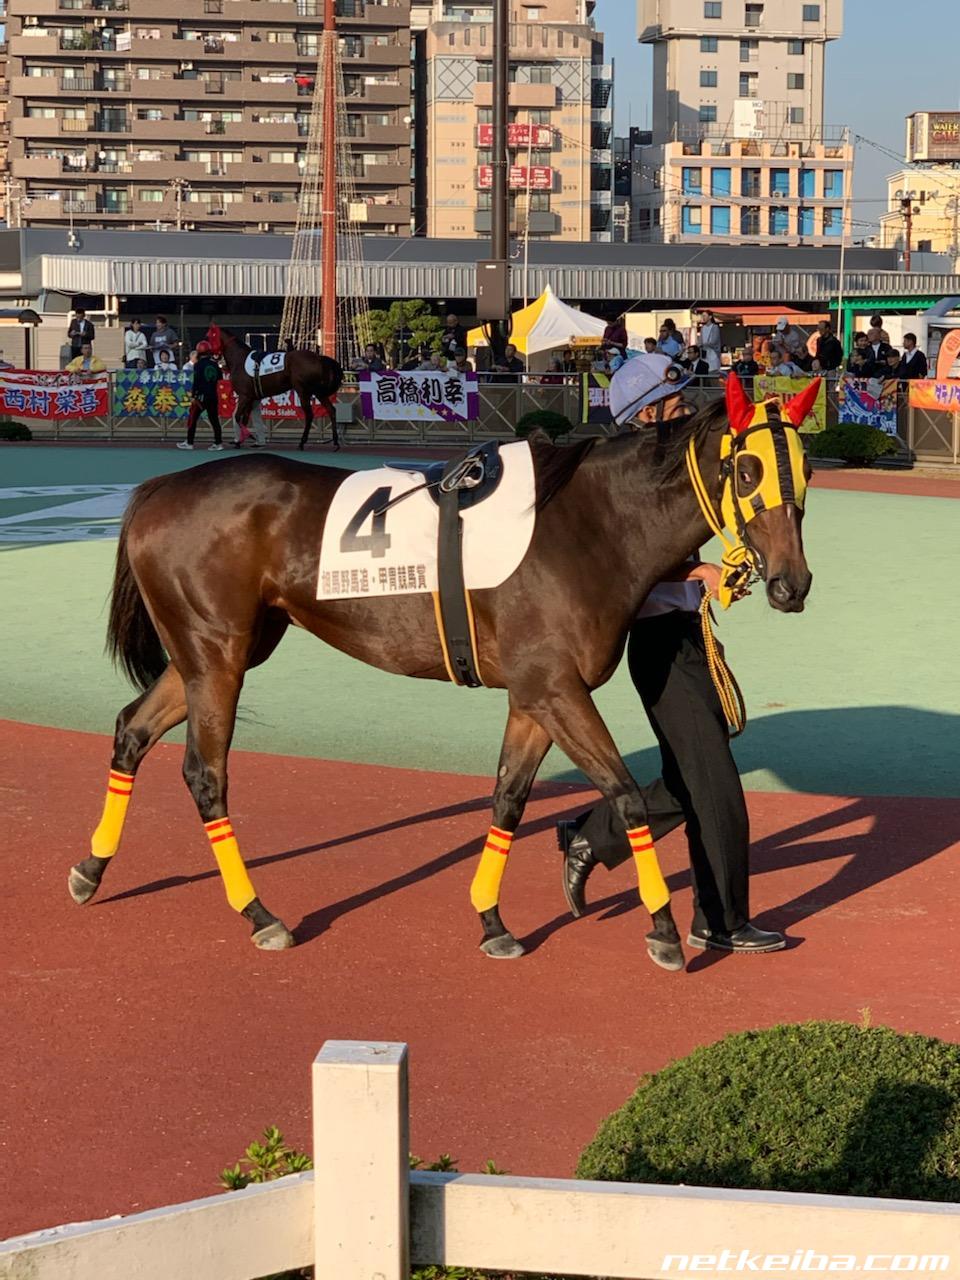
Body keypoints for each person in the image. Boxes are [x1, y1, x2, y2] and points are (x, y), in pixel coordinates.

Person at [556, 352, 786, 956]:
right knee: (715, 784)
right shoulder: (618, 485)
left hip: (685, 633)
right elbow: (621, 568)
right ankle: (720, 921)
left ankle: (592, 836)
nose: (686, 411)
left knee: (691, 779)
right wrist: (700, 573)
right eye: (675, 404)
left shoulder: (666, 475)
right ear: (644, 416)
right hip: (657, 643)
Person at [176, 340, 223, 451]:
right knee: (214, 420)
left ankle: (189, 442)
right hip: (213, 395)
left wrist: (193, 395)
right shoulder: (214, 364)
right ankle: (218, 443)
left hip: (201, 397)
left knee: (193, 418)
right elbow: (220, 377)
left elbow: (196, 381)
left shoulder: (198, 365)